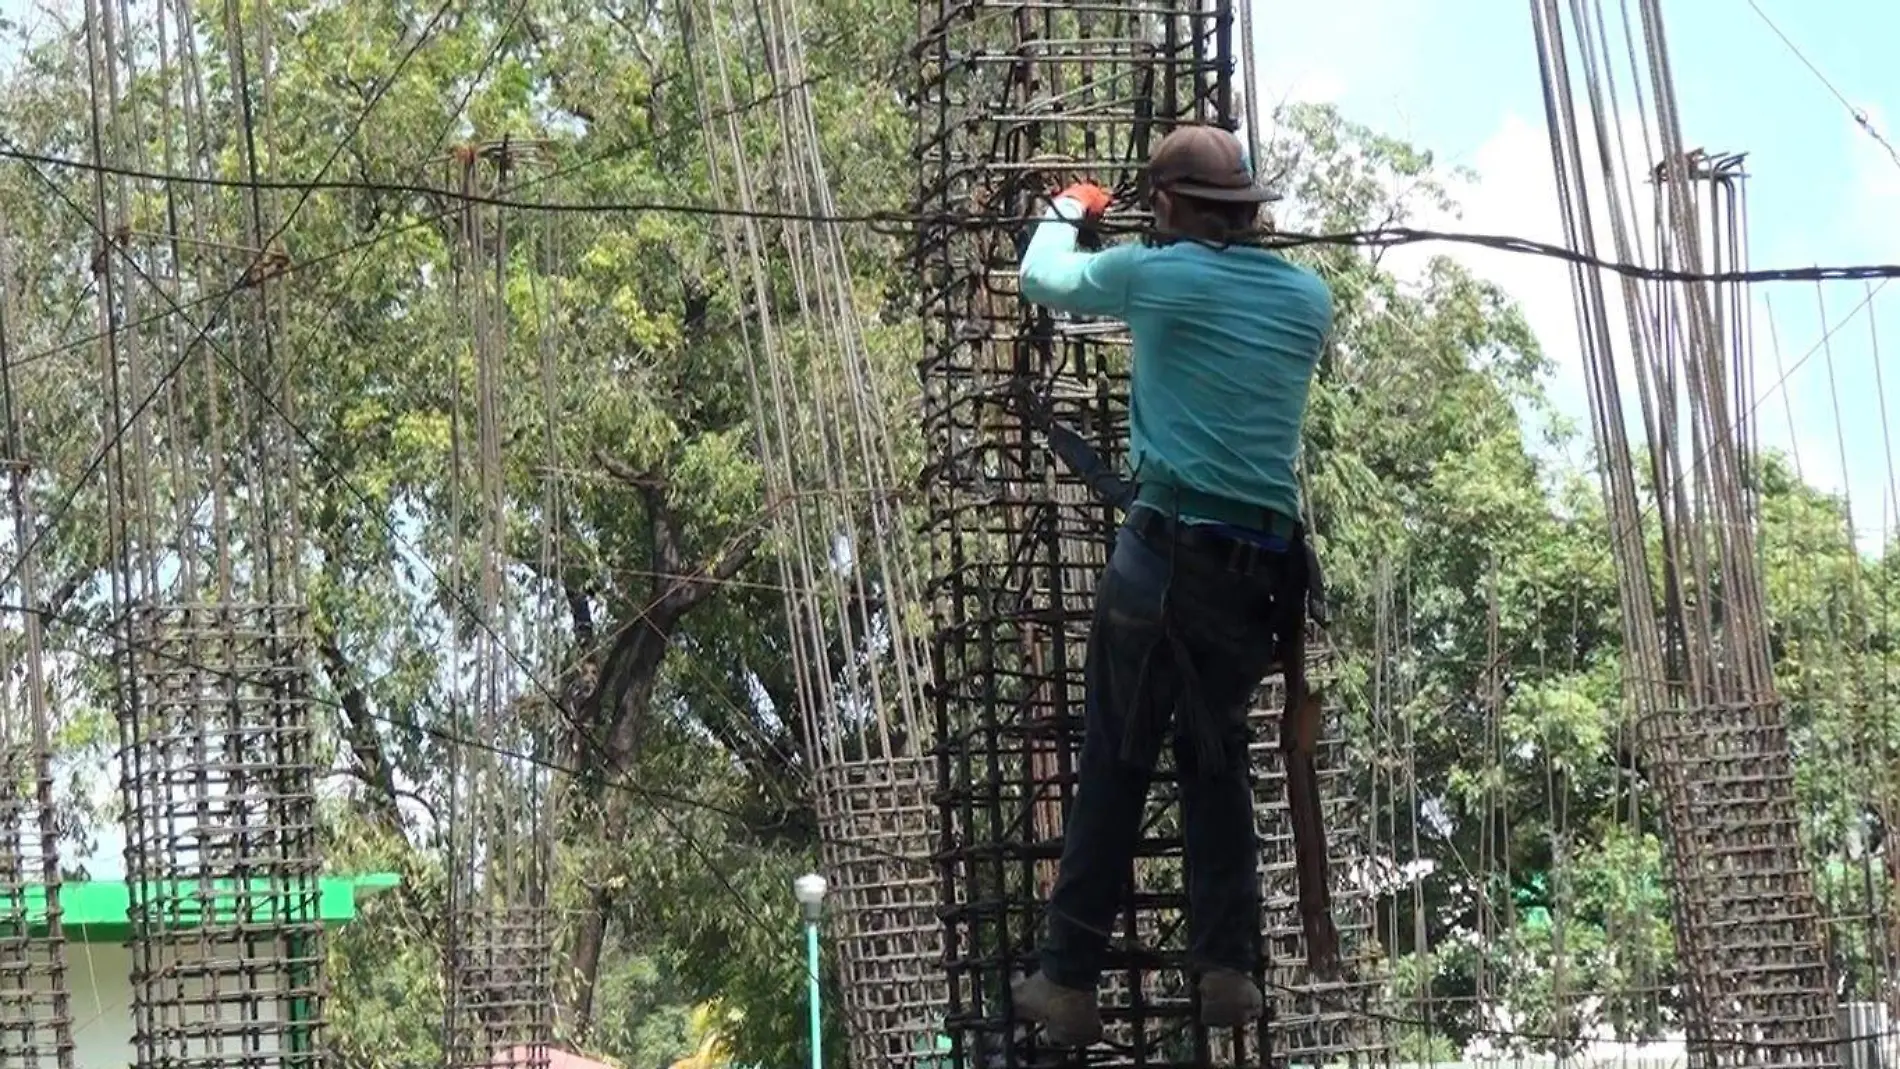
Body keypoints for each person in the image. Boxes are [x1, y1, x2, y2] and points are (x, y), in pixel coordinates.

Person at [1008, 123, 1336, 1047]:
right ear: (1245, 209)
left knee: (1116, 760)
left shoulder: (1155, 277)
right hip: (1258, 581)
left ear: (1172, 208)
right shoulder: (1308, 300)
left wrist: (1074, 208)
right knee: (1215, 756)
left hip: (1166, 557)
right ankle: (1229, 967)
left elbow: (1043, 277)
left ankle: (1069, 978)